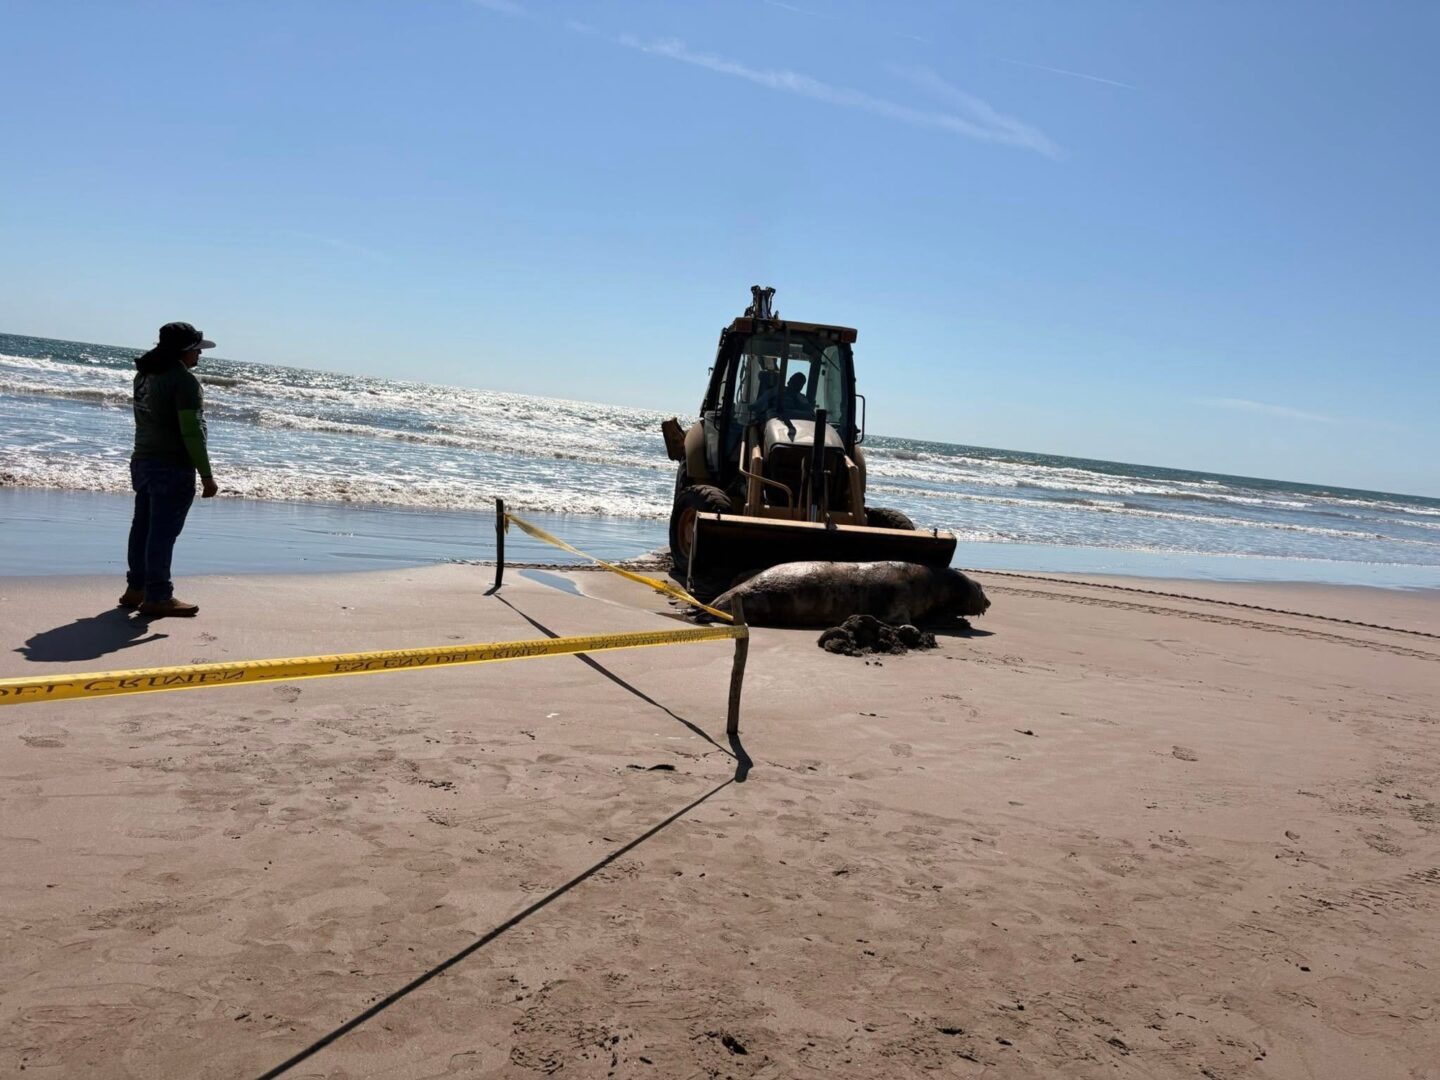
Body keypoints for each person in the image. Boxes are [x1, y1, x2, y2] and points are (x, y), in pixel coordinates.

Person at [119, 322, 219, 617]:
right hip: (172, 464)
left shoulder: (144, 375)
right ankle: (158, 595)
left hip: (143, 459)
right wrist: (207, 475)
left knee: (142, 527)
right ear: (184, 351)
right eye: (196, 349)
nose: (200, 354)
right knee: (162, 533)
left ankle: (136, 588)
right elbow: (191, 431)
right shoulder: (183, 381)